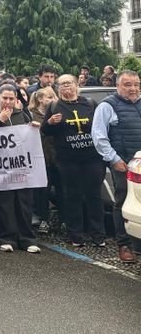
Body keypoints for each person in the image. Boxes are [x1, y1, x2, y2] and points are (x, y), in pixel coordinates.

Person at [43, 75, 105, 247]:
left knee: (94, 196)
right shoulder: (54, 106)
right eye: (61, 84)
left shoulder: (90, 103)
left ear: (76, 86)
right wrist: (49, 122)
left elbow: (102, 126)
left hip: (92, 158)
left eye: (68, 83)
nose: (65, 87)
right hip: (68, 160)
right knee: (72, 196)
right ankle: (75, 234)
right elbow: (45, 131)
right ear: (58, 88)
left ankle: (98, 235)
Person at [0, 84, 41, 253]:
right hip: (0, 167)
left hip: (21, 166)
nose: (8, 102)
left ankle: (27, 239)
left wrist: (35, 129)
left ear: (16, 99)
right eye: (4, 98)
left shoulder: (22, 114)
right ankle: (5, 238)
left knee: (24, 204)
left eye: (11, 99)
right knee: (4, 203)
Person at [93, 70, 141, 263]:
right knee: (123, 202)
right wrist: (114, 159)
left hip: (140, 164)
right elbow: (99, 136)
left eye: (136, 84)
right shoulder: (107, 106)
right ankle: (124, 244)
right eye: (128, 85)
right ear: (118, 86)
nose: (133, 88)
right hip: (124, 164)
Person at [27, 86, 59, 234]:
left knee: (60, 189)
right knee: (42, 191)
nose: (53, 100)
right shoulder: (31, 115)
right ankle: (43, 218)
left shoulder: (57, 114)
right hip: (40, 158)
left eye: (54, 97)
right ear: (40, 99)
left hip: (56, 157)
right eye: (49, 97)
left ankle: (61, 219)